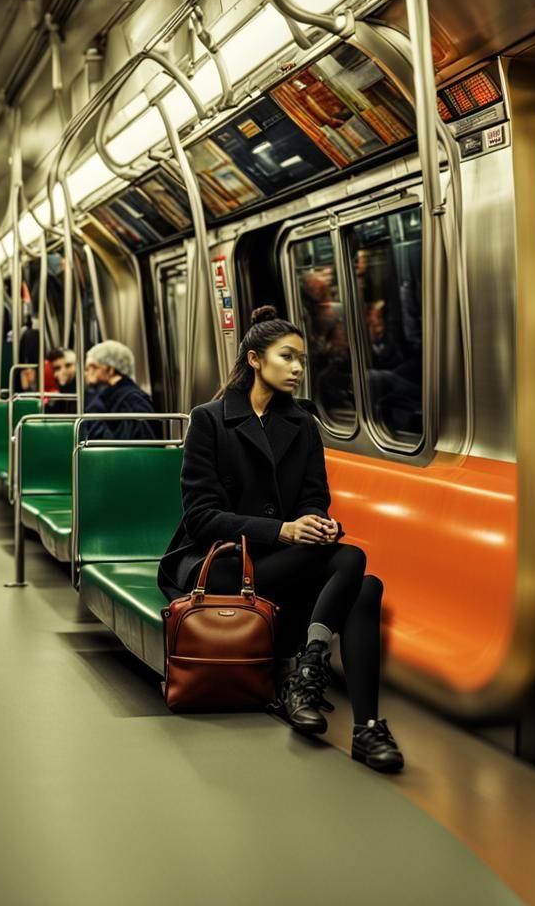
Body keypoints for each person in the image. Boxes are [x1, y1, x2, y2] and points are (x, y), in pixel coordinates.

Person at [157, 306, 404, 773]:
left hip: (285, 562)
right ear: (255, 360)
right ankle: (315, 681)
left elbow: (314, 497)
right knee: (352, 561)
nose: (297, 369)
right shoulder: (209, 420)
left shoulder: (303, 423)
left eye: (301, 360)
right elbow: (201, 518)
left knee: (363, 585)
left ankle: (357, 720)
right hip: (223, 563)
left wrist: (316, 522)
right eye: (286, 357)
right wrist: (282, 530)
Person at [83, 340, 159, 440]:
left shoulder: (132, 399)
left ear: (110, 369)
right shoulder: (107, 396)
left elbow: (132, 441)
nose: (87, 373)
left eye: (93, 367)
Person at [46, 347, 77, 414]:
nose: (63, 371)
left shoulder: (86, 390)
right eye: (56, 369)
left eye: (68, 366)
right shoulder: (59, 395)